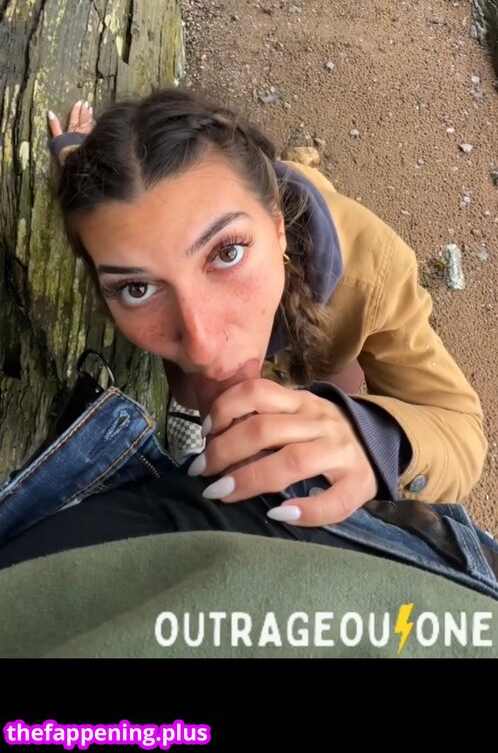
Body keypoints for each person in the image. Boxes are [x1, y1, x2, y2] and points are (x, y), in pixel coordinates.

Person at [0, 86, 495, 602]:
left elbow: (460, 427)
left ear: (278, 229)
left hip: (320, 357)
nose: (203, 346)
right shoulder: (120, 229)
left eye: (227, 253)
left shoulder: (375, 273)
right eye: (137, 288)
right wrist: (74, 154)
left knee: (338, 375)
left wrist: (372, 438)